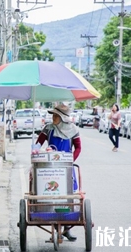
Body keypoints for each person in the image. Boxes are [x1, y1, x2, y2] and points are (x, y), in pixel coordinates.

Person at [35, 104, 81, 242]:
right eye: (52, 115)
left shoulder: (73, 129)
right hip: (50, 167)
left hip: (66, 167)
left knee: (67, 198)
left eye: (55, 115)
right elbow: (39, 143)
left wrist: (71, 159)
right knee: (52, 197)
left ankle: (66, 229)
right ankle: (56, 229)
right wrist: (35, 150)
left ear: (62, 117)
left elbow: (78, 147)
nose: (53, 117)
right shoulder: (48, 128)